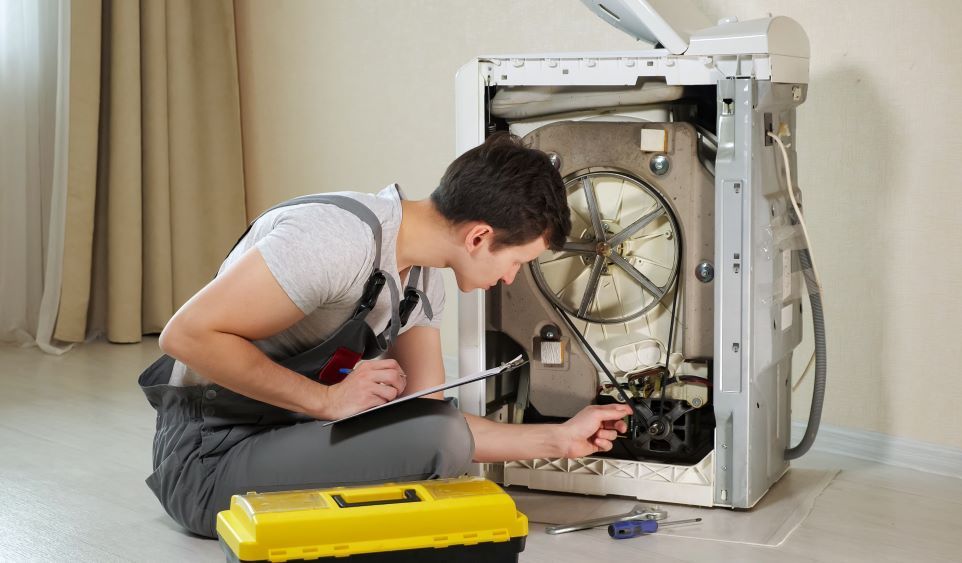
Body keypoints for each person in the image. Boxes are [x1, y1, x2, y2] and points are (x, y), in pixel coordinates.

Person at [139, 133, 631, 537]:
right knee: (438, 442)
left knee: (435, 430)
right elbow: (187, 336)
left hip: (283, 436)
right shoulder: (335, 239)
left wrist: (559, 439)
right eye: (517, 262)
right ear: (479, 236)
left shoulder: (422, 283)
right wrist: (325, 400)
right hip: (207, 460)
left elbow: (430, 418)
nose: (509, 278)